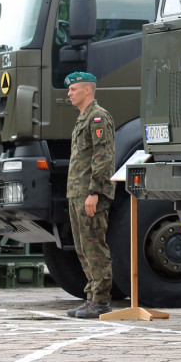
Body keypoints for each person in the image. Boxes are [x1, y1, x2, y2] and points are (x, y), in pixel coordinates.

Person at [64, 72, 116, 318]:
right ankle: (91, 297)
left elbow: (102, 157)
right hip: (77, 192)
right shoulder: (82, 119)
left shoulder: (98, 118)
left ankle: (102, 301)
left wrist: (94, 191)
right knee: (83, 247)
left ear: (87, 90)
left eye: (73, 89)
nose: (69, 93)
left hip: (90, 193)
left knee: (94, 245)